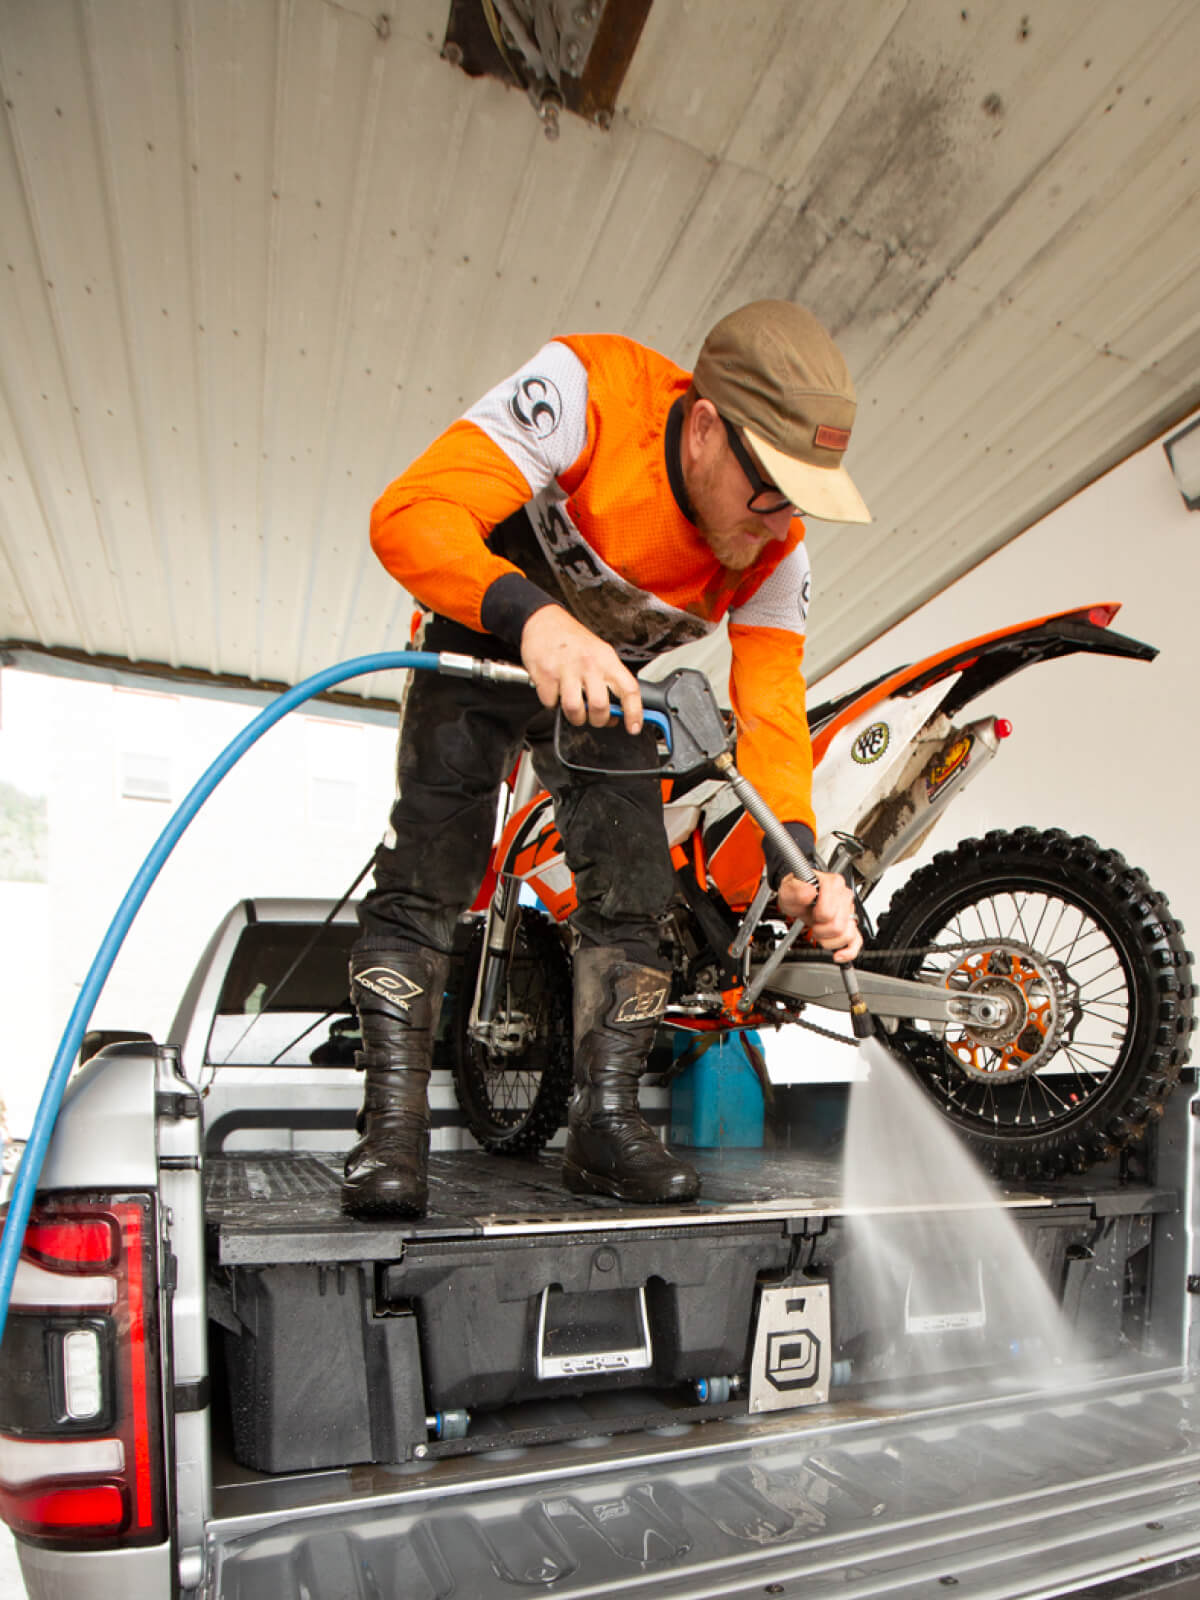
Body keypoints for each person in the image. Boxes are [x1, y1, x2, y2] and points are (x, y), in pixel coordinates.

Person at [343, 300, 867, 1218]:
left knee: (635, 892)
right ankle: (389, 1134)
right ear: (704, 429)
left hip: (607, 681)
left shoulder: (778, 550)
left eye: (800, 498)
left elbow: (772, 706)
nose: (780, 521)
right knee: (431, 866)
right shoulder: (586, 392)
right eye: (770, 489)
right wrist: (535, 620)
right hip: (483, 634)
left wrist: (796, 859)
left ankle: (604, 1130)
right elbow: (410, 513)